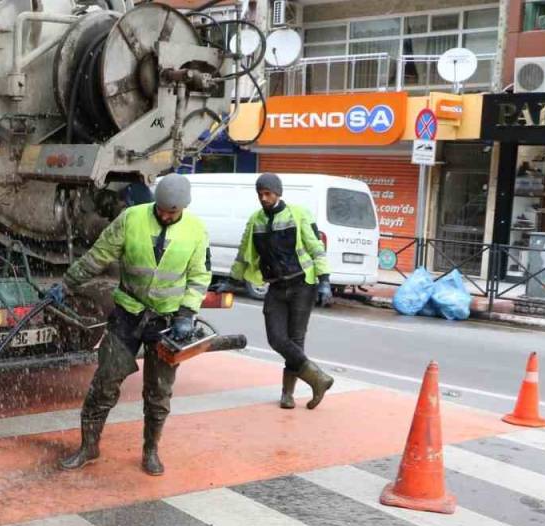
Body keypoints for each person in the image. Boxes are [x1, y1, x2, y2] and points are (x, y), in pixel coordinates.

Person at [45, 174, 211, 476]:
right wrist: (67, 283)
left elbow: (199, 277)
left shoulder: (196, 231)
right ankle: (88, 446)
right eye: (160, 208)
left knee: (158, 392)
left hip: (167, 323)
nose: (164, 214)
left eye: (171, 212)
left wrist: (187, 313)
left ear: (183, 208)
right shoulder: (131, 218)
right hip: (128, 314)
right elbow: (98, 256)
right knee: (105, 382)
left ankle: (150, 450)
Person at [214, 173, 334, 410]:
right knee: (276, 338)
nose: (263, 198)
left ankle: (287, 395)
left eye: (268, 193)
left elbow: (316, 249)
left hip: (302, 285)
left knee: (295, 340)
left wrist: (325, 280)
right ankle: (318, 379)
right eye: (260, 194)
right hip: (276, 287)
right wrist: (232, 281)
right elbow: (243, 253)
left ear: (278, 193)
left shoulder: (298, 214)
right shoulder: (255, 220)